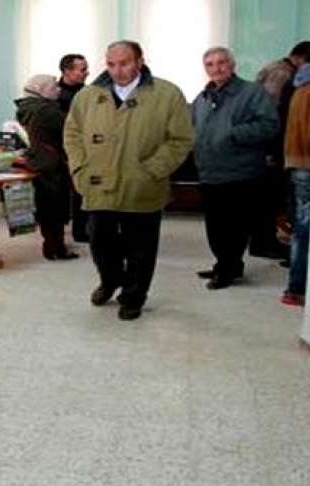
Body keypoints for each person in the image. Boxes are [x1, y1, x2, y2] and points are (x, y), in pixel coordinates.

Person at [64, 40, 193, 321]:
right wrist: (79, 168)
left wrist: (153, 169)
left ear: (139, 61)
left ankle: (133, 296)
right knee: (99, 241)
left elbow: (181, 139)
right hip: (98, 183)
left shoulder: (167, 94)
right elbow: (72, 134)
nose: (117, 70)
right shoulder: (87, 96)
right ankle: (110, 280)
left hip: (143, 183)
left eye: (124, 63)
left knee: (141, 247)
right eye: (111, 64)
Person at [190, 47, 280, 290]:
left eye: (221, 63)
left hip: (239, 172)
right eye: (209, 64)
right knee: (215, 226)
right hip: (209, 171)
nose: (216, 68)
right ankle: (225, 264)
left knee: (234, 227)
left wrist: (233, 134)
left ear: (232, 65)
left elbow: (270, 124)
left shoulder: (252, 92)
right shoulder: (203, 97)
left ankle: (228, 269)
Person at [251, 41, 310, 260]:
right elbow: (270, 114)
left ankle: (265, 241)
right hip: (270, 145)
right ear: (300, 58)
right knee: (269, 198)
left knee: (272, 197)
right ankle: (264, 242)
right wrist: (270, 150)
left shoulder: (283, 70)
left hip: (275, 145)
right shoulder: (282, 73)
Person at [14, 74, 77, 261]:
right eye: (54, 87)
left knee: (46, 204)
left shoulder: (28, 107)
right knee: (55, 206)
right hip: (53, 163)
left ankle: (52, 245)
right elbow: (71, 128)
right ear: (41, 90)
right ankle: (55, 247)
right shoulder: (46, 111)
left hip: (40, 160)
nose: (58, 89)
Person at [281, 55, 310, 307]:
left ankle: (295, 288)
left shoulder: (301, 87)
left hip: (297, 162)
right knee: (307, 230)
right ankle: (299, 288)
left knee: (302, 228)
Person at [57, 53, 91, 244]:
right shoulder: (54, 94)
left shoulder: (89, 93)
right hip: (59, 150)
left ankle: (81, 230)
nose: (87, 73)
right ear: (67, 71)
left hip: (83, 149)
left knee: (82, 190)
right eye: (82, 69)